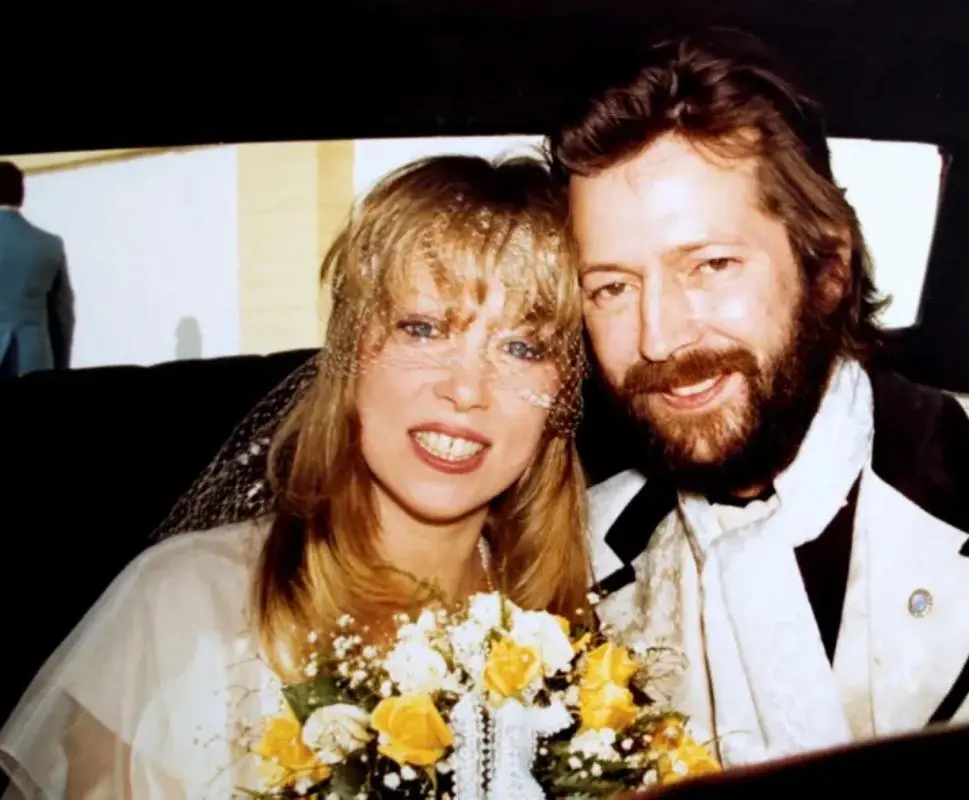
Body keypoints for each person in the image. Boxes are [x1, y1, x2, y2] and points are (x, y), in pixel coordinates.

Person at [549, 28, 969, 768]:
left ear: (826, 267)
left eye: (711, 265)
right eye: (610, 287)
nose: (658, 336)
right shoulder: (580, 557)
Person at [0, 155, 593, 798]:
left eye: (523, 348)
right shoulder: (186, 614)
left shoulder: (585, 638)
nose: (466, 389)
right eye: (422, 330)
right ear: (351, 351)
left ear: (565, 391)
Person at [0, 161, 75, 379]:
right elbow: (63, 315)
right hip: (35, 360)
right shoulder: (49, 244)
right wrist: (61, 367)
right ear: (21, 195)